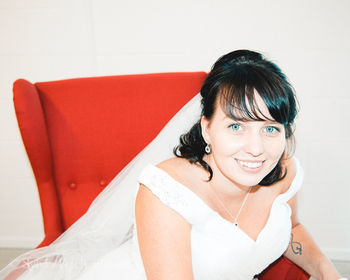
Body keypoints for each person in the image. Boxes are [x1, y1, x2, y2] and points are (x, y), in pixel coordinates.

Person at [0, 50, 346, 280]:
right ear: (207, 128)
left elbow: (292, 229)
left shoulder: (283, 170)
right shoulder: (167, 190)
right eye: (236, 126)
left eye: (270, 128)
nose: (256, 149)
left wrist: (328, 271)